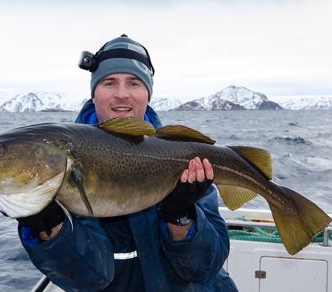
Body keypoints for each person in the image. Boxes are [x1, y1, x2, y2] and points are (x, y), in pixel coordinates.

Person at [17, 34, 238, 291]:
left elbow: (204, 267)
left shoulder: (185, 157)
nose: (122, 95)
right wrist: (47, 225)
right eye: (109, 83)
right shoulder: (65, 161)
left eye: (134, 83)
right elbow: (88, 279)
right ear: (94, 93)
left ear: (147, 93)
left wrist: (182, 216)